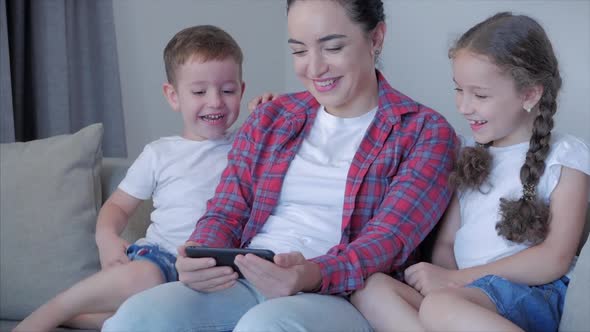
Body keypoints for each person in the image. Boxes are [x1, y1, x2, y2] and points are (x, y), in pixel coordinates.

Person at [101, 1, 457, 331]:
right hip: (245, 275)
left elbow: (388, 241)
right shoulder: (272, 117)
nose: (314, 67)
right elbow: (227, 210)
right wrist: (200, 254)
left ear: (376, 37)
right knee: (133, 318)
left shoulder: (424, 132)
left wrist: (311, 274)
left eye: (332, 47)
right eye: (299, 51)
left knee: (265, 326)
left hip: (343, 294)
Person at [350, 12, 590, 332]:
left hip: (530, 293)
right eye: (459, 90)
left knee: (439, 307)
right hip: (466, 297)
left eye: (480, 95)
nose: (463, 107)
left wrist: (454, 281)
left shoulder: (567, 156)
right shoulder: (469, 156)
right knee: (371, 289)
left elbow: (554, 258)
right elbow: (446, 245)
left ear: (530, 94)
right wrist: (447, 281)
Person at [13, 24, 245, 332]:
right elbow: (119, 206)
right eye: (200, 91)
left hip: (214, 267)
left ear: (241, 90)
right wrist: (106, 239)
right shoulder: (160, 153)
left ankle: (84, 320)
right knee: (147, 279)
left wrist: (268, 108)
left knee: (191, 308)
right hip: (160, 259)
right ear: (173, 96)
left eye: (228, 90)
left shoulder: (248, 146)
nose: (215, 101)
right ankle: (54, 309)